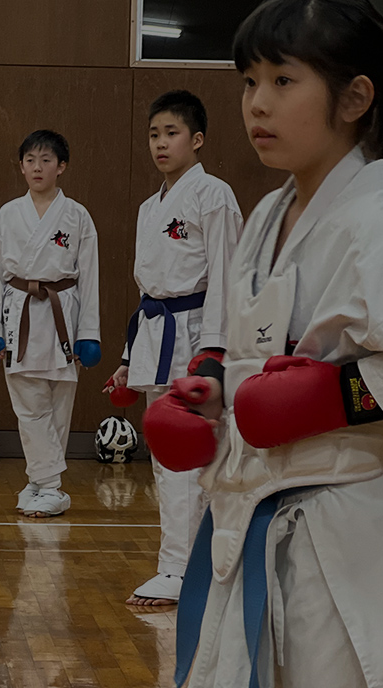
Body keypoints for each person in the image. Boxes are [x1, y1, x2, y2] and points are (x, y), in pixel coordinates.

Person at [142, 1, 383, 688]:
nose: (257, 103)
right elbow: (256, 349)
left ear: (354, 97)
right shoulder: (270, 214)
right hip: (261, 527)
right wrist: (211, 392)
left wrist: (343, 396)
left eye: (282, 79)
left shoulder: (382, 219)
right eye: (247, 82)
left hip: (350, 544)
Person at [105, 90, 243, 606]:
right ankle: (182, 565)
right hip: (156, 331)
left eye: (172, 133)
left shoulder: (214, 194)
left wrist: (216, 350)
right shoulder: (148, 208)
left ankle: (187, 570)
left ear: (197, 139)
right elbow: (149, 292)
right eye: (154, 134)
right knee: (167, 454)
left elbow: (229, 274)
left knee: (197, 456)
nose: (161, 144)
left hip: (197, 335)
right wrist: (126, 357)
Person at [0, 130, 101, 518]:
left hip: (64, 313)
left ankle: (40, 481)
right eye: (30, 159)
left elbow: (91, 276)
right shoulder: (9, 213)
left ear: (61, 166)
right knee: (30, 405)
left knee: (58, 404)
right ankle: (49, 485)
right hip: (20, 316)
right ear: (21, 165)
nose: (37, 166)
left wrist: (90, 334)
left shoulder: (77, 215)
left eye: (46, 159)